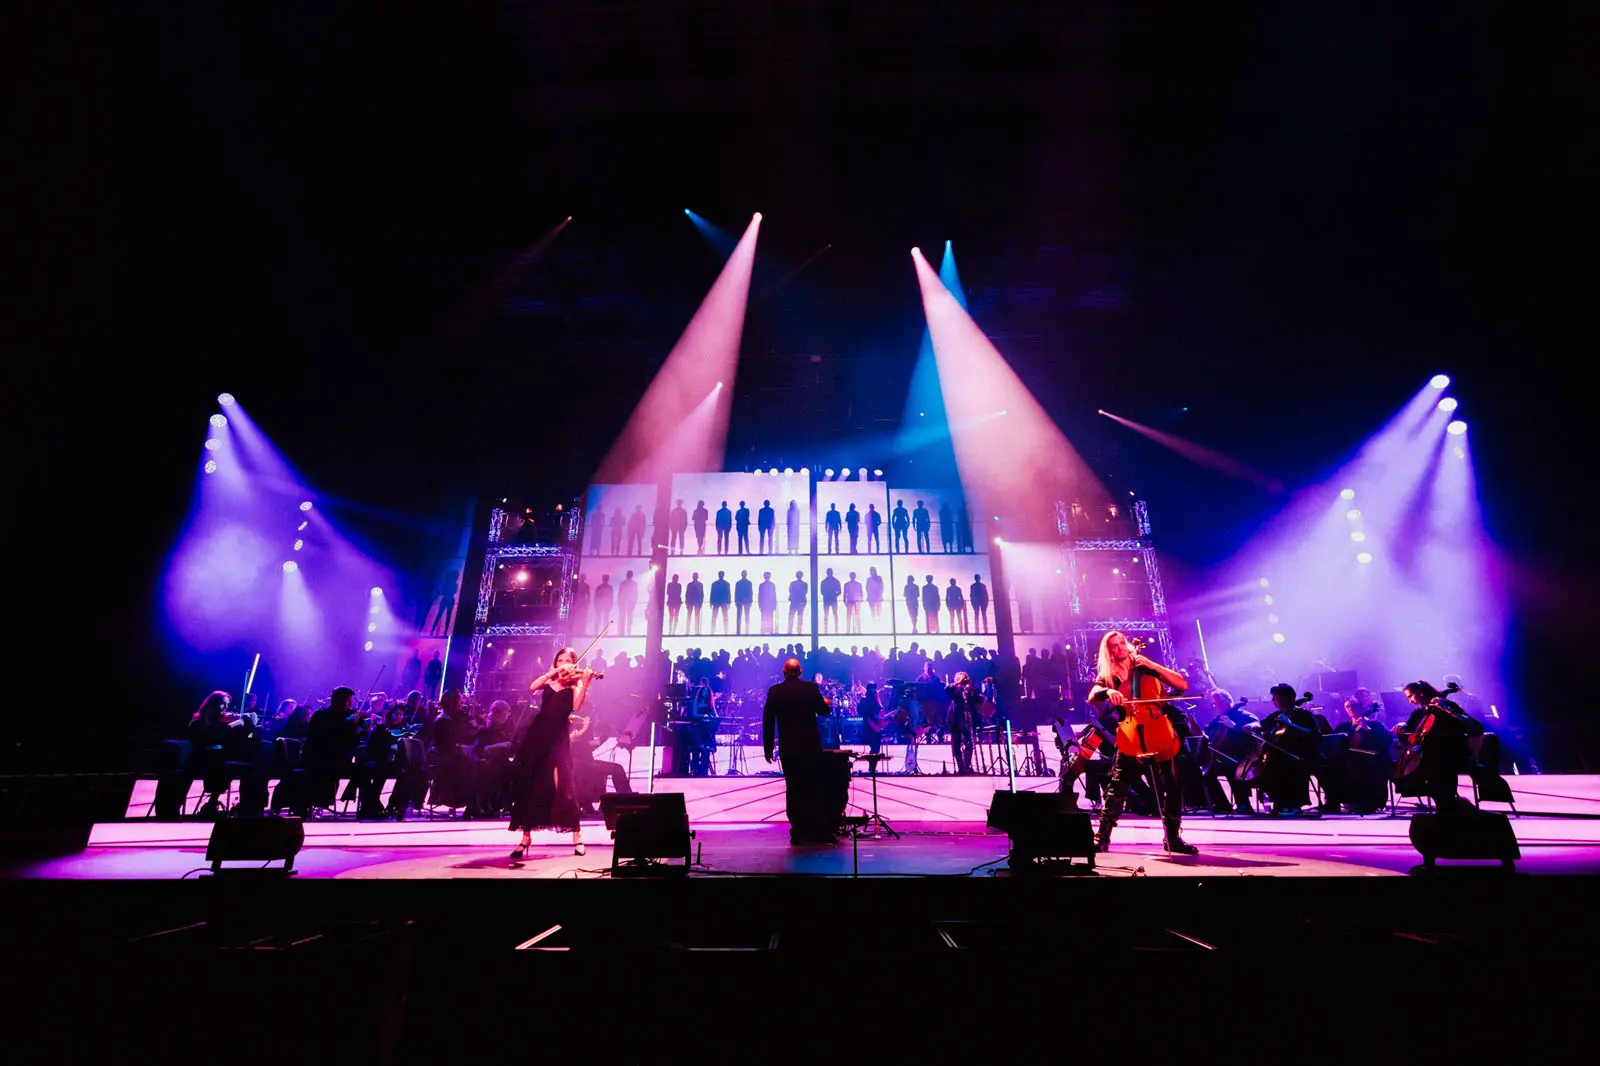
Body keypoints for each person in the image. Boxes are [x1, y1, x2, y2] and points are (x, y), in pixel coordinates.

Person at [1087, 631, 1197, 854]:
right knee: (1118, 785)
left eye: (1121, 643)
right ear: (1109, 651)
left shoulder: (1144, 665)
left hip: (1159, 731)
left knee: (1172, 784)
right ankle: (1102, 837)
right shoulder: (1109, 675)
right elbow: (1093, 695)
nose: (1120, 648)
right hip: (1130, 733)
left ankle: (1173, 838)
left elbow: (1182, 684)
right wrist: (1108, 691)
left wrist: (1152, 665)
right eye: (1114, 646)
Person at [509, 649, 601, 859]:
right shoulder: (550, 680)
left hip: (558, 737)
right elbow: (532, 686)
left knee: (563, 786)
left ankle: (577, 836)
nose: (564, 663)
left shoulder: (575, 683)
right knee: (530, 784)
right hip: (537, 736)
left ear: (574, 663)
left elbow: (576, 707)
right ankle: (525, 838)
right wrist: (553, 672)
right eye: (560, 660)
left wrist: (586, 682)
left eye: (568, 660)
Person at [763, 658, 835, 845]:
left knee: (793, 789)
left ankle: (797, 831)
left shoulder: (775, 691)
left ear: (784, 671)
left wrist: (768, 748)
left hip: (789, 747)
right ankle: (821, 830)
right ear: (800, 671)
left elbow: (768, 721)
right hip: (810, 746)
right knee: (815, 788)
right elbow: (823, 711)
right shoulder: (810, 688)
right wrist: (826, 702)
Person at [1397, 680, 1482, 815]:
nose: (1410, 701)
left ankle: (1449, 809)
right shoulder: (1418, 713)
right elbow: (1410, 737)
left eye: (1410, 696)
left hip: (1451, 755)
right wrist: (1401, 730)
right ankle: (1445, 808)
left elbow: (1475, 728)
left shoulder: (1445, 705)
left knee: (1439, 774)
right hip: (1429, 758)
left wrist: (1446, 709)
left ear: (1420, 693)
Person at [1256, 683, 1320, 815]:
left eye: (1275, 697)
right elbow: (1261, 724)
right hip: (1280, 755)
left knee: (1288, 765)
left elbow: (1314, 734)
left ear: (1285, 698)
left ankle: (1293, 804)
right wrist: (1252, 726)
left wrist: (1290, 725)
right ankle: (1279, 802)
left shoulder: (1304, 715)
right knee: (1267, 766)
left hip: (1302, 754)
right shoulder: (1277, 715)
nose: (1272, 700)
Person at [1331, 696, 1394, 814]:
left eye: (1353, 705)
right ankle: (1337, 801)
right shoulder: (1343, 727)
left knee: (1364, 767)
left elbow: (1386, 741)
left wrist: (1366, 728)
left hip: (1371, 761)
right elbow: (1335, 741)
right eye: (1347, 707)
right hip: (1349, 760)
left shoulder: (1375, 725)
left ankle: (1368, 802)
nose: (1350, 708)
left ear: (1361, 707)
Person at [946, 672, 982, 774]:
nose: (964, 681)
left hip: (968, 720)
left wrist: (972, 690)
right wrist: (958, 683)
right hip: (955, 720)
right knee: (956, 744)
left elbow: (978, 700)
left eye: (966, 679)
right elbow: (946, 689)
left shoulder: (970, 690)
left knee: (969, 743)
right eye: (962, 679)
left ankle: (967, 765)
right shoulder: (954, 690)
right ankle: (961, 766)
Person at [859, 682, 885, 757]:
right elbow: (863, 712)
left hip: (876, 726)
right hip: (869, 725)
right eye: (873, 689)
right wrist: (873, 715)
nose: (875, 691)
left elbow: (879, 709)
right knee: (874, 747)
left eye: (875, 689)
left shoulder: (876, 699)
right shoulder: (864, 700)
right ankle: (872, 763)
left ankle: (873, 763)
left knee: (876, 747)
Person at [819, 567, 841, 633]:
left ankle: (828, 629)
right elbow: (839, 591)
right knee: (833, 614)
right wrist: (834, 595)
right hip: (832, 599)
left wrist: (828, 595)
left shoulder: (824, 582)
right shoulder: (835, 581)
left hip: (827, 599)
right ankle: (835, 629)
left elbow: (822, 592)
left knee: (829, 614)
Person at [617, 570, 638, 635]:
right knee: (628, 617)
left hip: (624, 601)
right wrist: (634, 602)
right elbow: (636, 594)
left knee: (624, 616)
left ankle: (622, 631)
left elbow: (619, 593)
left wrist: (619, 601)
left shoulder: (623, 583)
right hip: (628, 602)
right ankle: (628, 631)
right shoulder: (634, 583)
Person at [734, 570, 754, 634]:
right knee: (741, 617)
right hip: (741, 601)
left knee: (745, 616)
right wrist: (736, 601)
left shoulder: (741, 583)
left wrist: (750, 601)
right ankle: (741, 631)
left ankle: (744, 631)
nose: (744, 575)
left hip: (744, 601)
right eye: (743, 573)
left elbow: (750, 592)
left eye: (744, 573)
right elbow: (736, 593)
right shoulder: (747, 583)